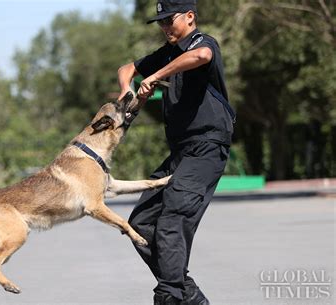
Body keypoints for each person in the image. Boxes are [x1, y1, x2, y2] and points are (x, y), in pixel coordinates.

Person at [117, 1, 235, 304]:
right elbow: (126, 68)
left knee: (172, 220)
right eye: (161, 22)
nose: (165, 27)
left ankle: (169, 295)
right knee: (140, 223)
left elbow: (201, 57)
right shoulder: (166, 53)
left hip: (207, 147)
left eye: (170, 20)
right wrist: (126, 89)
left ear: (190, 17)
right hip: (181, 151)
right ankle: (187, 293)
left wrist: (155, 76)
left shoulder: (202, 43)